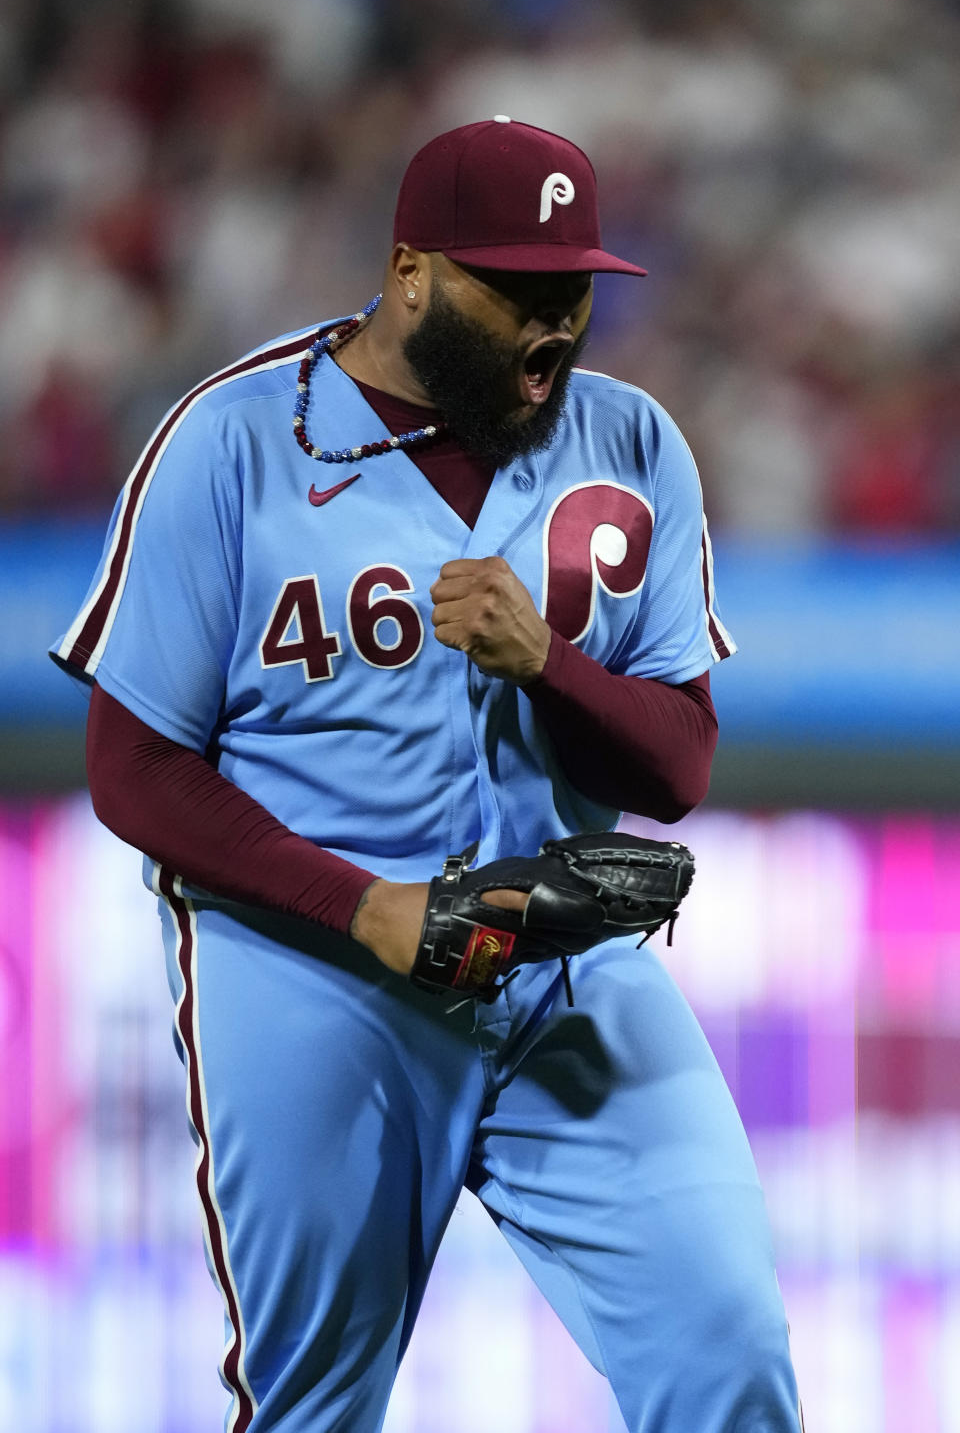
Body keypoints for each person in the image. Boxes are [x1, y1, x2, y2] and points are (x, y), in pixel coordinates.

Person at [51, 118, 802, 1432]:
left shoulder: (629, 445)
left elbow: (679, 763)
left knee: (729, 1353)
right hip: (311, 971)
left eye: (571, 289)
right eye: (513, 289)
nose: (551, 324)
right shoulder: (231, 442)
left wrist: (551, 663)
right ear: (411, 274)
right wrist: (364, 907)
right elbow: (134, 770)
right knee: (317, 1408)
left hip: (565, 966)